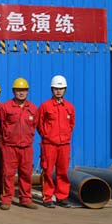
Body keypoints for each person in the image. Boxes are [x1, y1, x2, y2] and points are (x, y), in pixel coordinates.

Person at [0, 77, 38, 210]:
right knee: (8, 174)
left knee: (26, 174)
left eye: (24, 90)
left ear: (27, 92)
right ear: (13, 91)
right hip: (10, 147)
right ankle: (6, 200)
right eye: (18, 90)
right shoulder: (5, 107)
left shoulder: (33, 108)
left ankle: (25, 199)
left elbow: (35, 125)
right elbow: (1, 125)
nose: (21, 93)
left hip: (26, 147)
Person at [38, 75, 75, 208]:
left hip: (64, 145)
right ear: (51, 89)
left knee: (63, 171)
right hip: (49, 145)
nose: (58, 91)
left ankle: (62, 197)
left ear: (65, 90)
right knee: (48, 171)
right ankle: (47, 197)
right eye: (56, 88)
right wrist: (47, 136)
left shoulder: (69, 107)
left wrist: (65, 136)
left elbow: (71, 124)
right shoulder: (45, 106)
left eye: (61, 88)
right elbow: (39, 123)